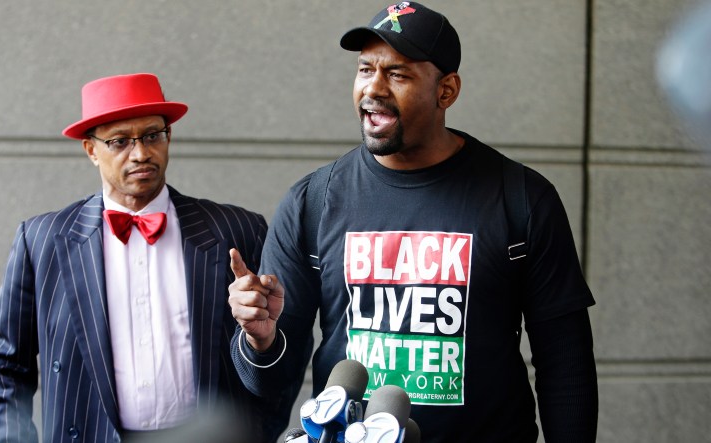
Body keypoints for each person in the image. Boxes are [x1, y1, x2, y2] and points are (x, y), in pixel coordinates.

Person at [227, 2, 598, 442]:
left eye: (397, 74)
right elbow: (269, 381)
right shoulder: (313, 201)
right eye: (366, 70)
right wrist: (259, 339)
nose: (373, 88)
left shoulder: (520, 198)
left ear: (447, 91)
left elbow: (565, 360)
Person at [0, 73, 267, 442]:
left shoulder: (237, 229)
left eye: (152, 135)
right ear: (91, 151)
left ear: (169, 137)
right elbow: (5, 366)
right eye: (119, 141)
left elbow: (278, 349)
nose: (141, 153)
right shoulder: (42, 241)